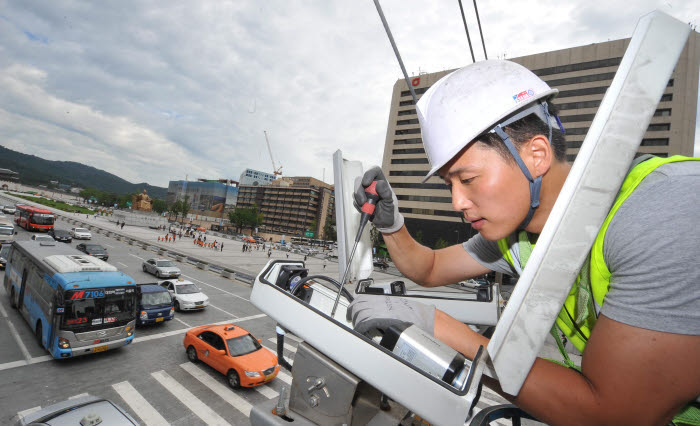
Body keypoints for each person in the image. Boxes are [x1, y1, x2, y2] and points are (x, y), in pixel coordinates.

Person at [347, 60, 700, 425]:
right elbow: (430, 267)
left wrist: (441, 329)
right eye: (449, 184)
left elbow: (616, 416)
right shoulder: (517, 236)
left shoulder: (666, 210)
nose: (457, 203)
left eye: (467, 178)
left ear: (536, 155)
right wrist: (391, 224)